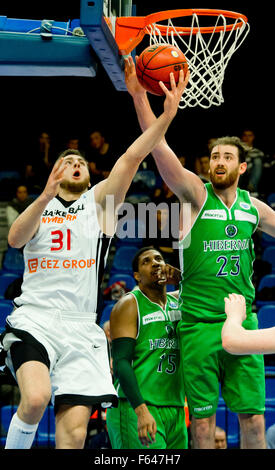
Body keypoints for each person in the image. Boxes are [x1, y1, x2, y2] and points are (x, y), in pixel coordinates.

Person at [0, 71, 187, 450]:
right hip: (36, 318)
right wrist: (44, 195)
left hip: (80, 327)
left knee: (75, 435)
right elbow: (15, 238)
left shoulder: (99, 203)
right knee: (35, 399)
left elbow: (134, 155)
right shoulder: (40, 208)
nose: (76, 164)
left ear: (88, 177)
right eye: (68, 161)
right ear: (55, 172)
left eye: (81, 163)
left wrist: (166, 116)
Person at [124, 55, 275, 449]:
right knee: (204, 426)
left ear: (242, 168)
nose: (218, 162)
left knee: (254, 422)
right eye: (214, 156)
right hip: (197, 325)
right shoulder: (194, 195)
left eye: (227, 157)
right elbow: (157, 148)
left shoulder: (254, 209)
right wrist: (142, 98)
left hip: (242, 321)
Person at [106, 246, 188, 449]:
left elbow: (208, 291)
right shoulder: (129, 304)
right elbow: (121, 362)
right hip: (138, 406)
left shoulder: (178, 302)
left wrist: (182, 279)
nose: (155, 263)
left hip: (175, 408)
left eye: (159, 259)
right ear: (136, 276)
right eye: (146, 261)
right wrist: (141, 411)